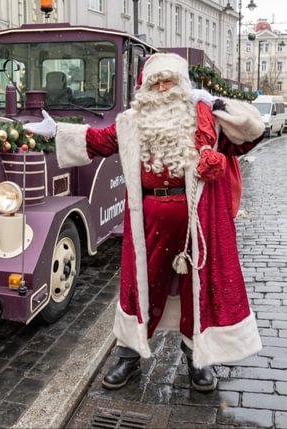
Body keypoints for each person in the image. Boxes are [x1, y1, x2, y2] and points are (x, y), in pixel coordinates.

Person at [24, 53, 264, 393]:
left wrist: (216, 103)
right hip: (149, 217)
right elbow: (99, 140)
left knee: (195, 290)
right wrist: (57, 131)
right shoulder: (132, 121)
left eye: (170, 82)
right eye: (156, 82)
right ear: (145, 88)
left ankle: (197, 357)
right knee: (142, 287)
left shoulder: (205, 119)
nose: (163, 88)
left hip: (198, 220)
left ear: (183, 87)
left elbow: (252, 134)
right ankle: (129, 354)